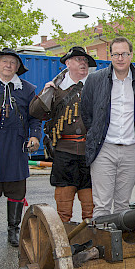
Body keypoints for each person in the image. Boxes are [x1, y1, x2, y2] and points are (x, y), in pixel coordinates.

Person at [0, 48, 41, 248]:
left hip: (16, 147)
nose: (8, 65)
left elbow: (34, 117)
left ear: (18, 67)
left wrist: (35, 136)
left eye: (13, 63)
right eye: (4, 61)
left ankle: (14, 231)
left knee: (16, 192)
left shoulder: (28, 89)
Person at [81, 37, 135, 217]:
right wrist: (97, 135)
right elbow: (86, 113)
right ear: (111, 56)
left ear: (131, 55)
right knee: (102, 205)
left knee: (122, 206)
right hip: (103, 149)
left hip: (131, 152)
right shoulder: (95, 80)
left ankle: (118, 245)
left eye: (124, 54)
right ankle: (101, 244)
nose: (120, 58)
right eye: (116, 54)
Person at [29, 46, 95, 223]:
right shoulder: (56, 88)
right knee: (63, 206)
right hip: (64, 151)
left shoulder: (95, 86)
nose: (83, 63)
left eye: (85, 61)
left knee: (91, 205)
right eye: (78, 60)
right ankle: (64, 238)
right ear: (67, 63)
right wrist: (45, 92)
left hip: (90, 151)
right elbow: (35, 112)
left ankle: (91, 235)